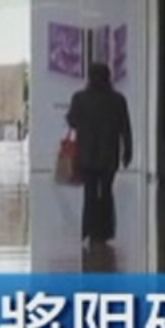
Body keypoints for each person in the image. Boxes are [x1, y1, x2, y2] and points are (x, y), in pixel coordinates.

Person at [67, 62, 133, 247]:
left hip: (86, 154)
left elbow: (72, 121)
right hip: (109, 155)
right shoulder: (118, 100)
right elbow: (125, 129)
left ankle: (89, 229)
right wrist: (128, 152)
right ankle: (105, 231)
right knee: (106, 192)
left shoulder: (79, 98)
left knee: (89, 193)